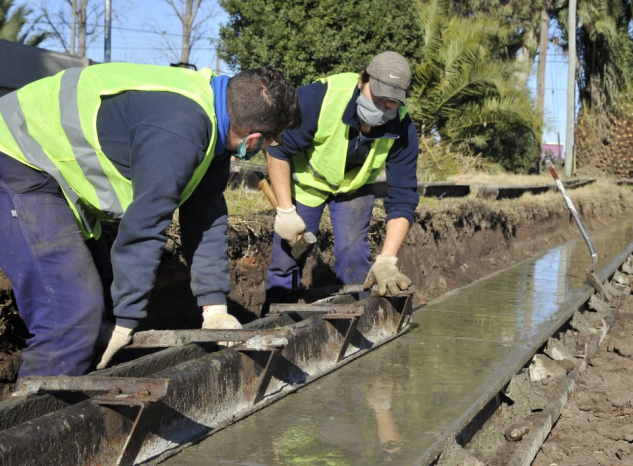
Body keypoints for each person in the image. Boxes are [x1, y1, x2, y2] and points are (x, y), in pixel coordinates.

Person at [0, 63, 301, 379]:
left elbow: (206, 215)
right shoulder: (180, 130)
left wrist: (215, 308)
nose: (269, 148)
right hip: (16, 155)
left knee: (101, 297)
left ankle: (74, 397)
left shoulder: (218, 115)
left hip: (51, 171)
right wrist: (125, 319)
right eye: (271, 140)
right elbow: (146, 223)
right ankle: (35, 421)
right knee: (72, 317)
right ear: (253, 138)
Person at [265, 51, 418, 308]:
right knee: (286, 258)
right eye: (377, 98)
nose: (382, 110)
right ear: (362, 80)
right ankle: (273, 320)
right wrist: (285, 210)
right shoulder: (320, 98)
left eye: (391, 104)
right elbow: (277, 147)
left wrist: (387, 260)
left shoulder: (402, 127)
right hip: (307, 185)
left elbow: (403, 195)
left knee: (354, 255)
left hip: (353, 189)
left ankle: (353, 321)